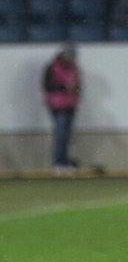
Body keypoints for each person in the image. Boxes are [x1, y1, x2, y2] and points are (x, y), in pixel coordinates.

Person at [43, 42, 81, 171]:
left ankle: (64, 160)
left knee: (67, 135)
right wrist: (64, 87)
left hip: (70, 104)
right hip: (57, 105)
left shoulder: (74, 68)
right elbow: (47, 86)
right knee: (60, 134)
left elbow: (77, 85)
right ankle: (58, 162)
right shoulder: (52, 67)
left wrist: (75, 91)